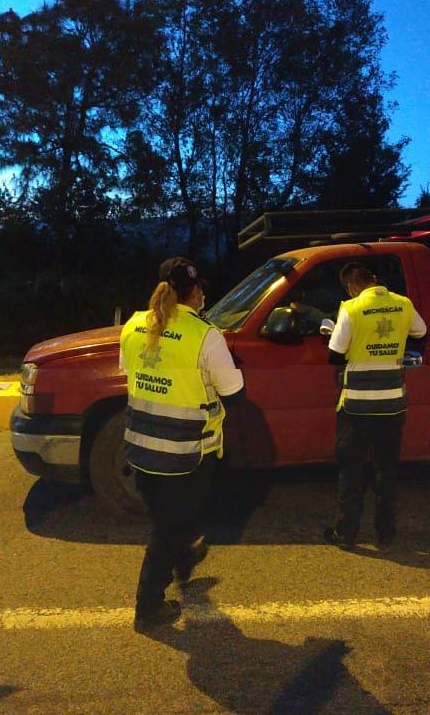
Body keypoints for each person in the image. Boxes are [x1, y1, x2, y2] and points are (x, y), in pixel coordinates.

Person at [119, 257, 244, 632]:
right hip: (185, 453)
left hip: (141, 447)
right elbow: (234, 393)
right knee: (167, 530)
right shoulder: (205, 335)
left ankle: (182, 556)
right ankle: (148, 608)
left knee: (167, 520)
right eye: (201, 288)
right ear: (195, 293)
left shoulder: (133, 325)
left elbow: (132, 373)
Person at [323, 262, 427, 547]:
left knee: (351, 470)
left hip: (357, 406)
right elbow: (421, 333)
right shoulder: (403, 304)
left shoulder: (352, 308)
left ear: (351, 287)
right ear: (374, 279)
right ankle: (386, 531)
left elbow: (334, 355)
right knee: (386, 469)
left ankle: (345, 533)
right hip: (392, 403)